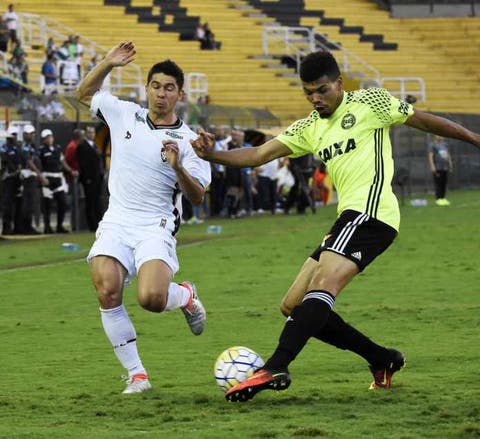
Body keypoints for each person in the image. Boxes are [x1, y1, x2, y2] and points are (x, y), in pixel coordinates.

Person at [191, 50, 480, 402]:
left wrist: (474, 138)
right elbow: (256, 155)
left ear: (340, 84)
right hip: (347, 218)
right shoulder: (309, 127)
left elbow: (424, 120)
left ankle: (277, 364)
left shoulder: (370, 101)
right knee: (294, 304)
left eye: (322, 90)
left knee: (324, 284)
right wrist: (210, 155)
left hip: (373, 212)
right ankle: (381, 358)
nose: (316, 98)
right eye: (308, 92)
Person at [75, 41, 211, 394]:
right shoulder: (124, 113)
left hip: (156, 224)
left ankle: (184, 296)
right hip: (117, 220)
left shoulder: (190, 140)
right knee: (106, 289)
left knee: (151, 298)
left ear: (179, 94)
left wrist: (178, 165)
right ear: (146, 88)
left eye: (168, 88)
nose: (160, 94)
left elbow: (197, 195)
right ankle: (137, 375)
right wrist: (107, 63)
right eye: (155, 86)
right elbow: (83, 93)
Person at [38, 128, 78, 233]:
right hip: (47, 178)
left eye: (50, 137)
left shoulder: (57, 148)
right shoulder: (41, 150)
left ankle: (59, 226)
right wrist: (41, 178)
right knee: (47, 205)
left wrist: (71, 171)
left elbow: (63, 162)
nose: (49, 139)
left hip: (58, 178)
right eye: (46, 138)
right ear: (43, 139)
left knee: (63, 203)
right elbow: (39, 165)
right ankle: (47, 227)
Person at [19, 124, 49, 234]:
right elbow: (29, 163)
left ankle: (28, 226)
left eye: (33, 133)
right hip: (29, 178)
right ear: (25, 134)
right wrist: (41, 177)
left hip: (33, 178)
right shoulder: (25, 147)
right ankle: (26, 227)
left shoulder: (32, 146)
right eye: (31, 133)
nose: (33, 135)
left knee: (32, 203)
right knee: (28, 204)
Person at [76, 125, 104, 231]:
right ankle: (92, 225)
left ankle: (99, 223)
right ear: (86, 134)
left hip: (97, 178)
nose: (91, 134)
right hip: (89, 179)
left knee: (97, 202)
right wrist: (86, 178)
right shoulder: (82, 146)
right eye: (89, 132)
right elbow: (82, 164)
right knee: (90, 202)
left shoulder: (95, 146)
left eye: (93, 132)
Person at [1, 125, 21, 235]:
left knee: (18, 202)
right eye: (13, 134)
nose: (14, 137)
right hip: (8, 179)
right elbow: (4, 163)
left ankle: (17, 227)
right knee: (7, 204)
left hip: (17, 179)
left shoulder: (17, 147)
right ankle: (6, 228)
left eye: (15, 135)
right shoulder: (4, 148)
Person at [428, 135, 452, 206]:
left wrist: (450, 164)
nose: (441, 136)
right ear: (435, 136)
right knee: (438, 183)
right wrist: (432, 166)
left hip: (445, 167)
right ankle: (438, 199)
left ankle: (443, 198)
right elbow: (430, 156)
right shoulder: (432, 145)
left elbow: (448, 154)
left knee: (444, 183)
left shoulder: (445, 144)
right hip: (437, 167)